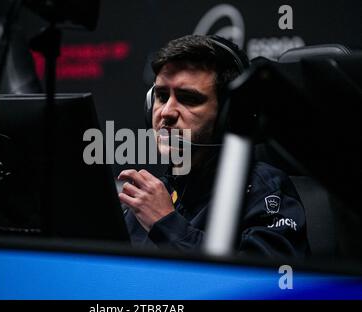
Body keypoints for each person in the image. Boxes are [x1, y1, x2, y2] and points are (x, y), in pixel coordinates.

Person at [118, 34, 310, 258]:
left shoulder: (264, 192)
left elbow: (263, 286)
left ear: (229, 115)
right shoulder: (153, 196)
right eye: (161, 96)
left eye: (188, 98)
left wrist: (168, 224)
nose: (166, 112)